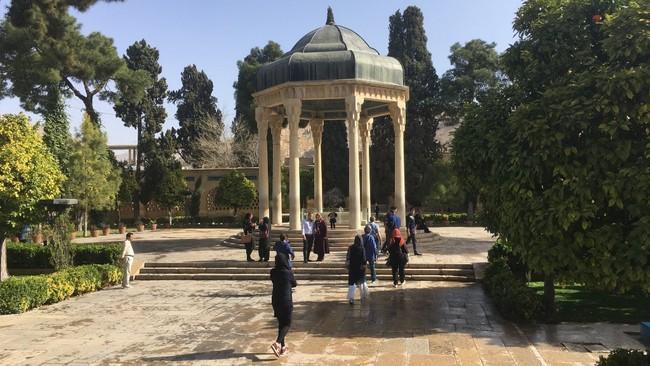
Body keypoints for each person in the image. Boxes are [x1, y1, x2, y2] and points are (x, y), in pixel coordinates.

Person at [270, 252, 297, 357]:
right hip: (286, 301)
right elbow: (294, 283)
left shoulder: (273, 272)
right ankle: (277, 343)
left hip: (275, 300)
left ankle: (283, 347)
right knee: (287, 324)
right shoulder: (288, 272)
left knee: (281, 323)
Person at [346, 235, 368, 304]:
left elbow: (348, 257)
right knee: (361, 283)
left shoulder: (350, 248)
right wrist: (364, 266)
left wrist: (348, 265)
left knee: (352, 284)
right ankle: (363, 297)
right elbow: (364, 259)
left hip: (352, 268)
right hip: (360, 268)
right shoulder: (362, 248)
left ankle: (351, 298)